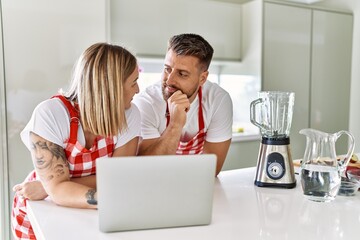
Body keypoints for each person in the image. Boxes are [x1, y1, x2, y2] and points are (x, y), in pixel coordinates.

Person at [11, 43, 141, 240]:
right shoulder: (51, 114)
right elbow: (60, 191)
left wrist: (49, 187)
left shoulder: (130, 115)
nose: (138, 90)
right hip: (42, 210)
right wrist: (55, 189)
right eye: (133, 82)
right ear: (111, 87)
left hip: (83, 209)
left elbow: (118, 177)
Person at [133, 33, 233, 176]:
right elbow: (147, 168)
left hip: (197, 186)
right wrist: (175, 124)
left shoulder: (218, 100)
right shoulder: (146, 103)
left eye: (182, 74)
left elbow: (211, 169)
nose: (169, 80)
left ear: (202, 78)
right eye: (167, 69)